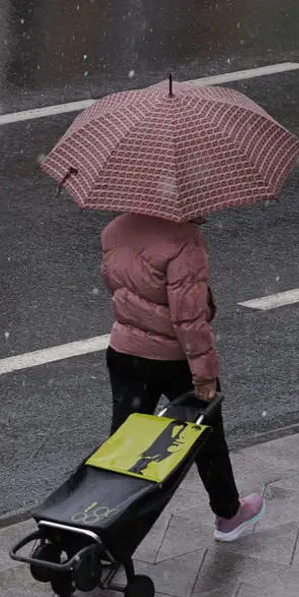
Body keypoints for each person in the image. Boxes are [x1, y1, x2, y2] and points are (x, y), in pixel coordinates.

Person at [100, 212, 264, 542]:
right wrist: (204, 376)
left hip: (124, 352)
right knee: (207, 436)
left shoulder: (114, 229)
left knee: (125, 443)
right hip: (174, 360)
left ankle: (107, 520)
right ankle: (228, 514)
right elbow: (189, 319)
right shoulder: (185, 241)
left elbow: (117, 287)